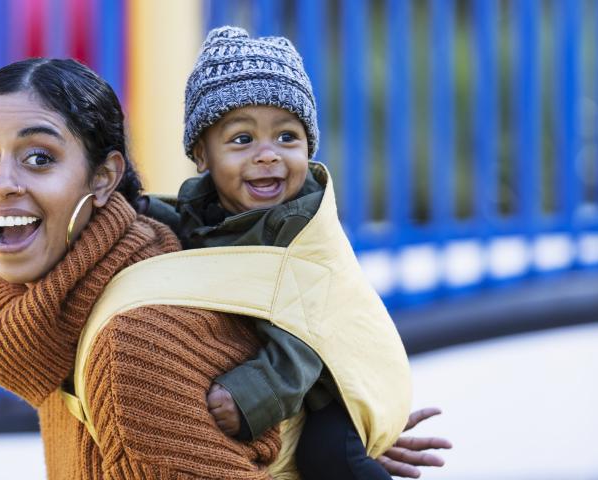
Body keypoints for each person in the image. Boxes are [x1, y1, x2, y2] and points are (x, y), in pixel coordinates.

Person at [0, 57, 448, 479]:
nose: (1, 184)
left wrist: (339, 438)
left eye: (39, 158)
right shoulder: (59, 301)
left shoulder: (134, 342)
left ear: (105, 178)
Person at [139, 26, 448, 479]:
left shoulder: (298, 228)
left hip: (333, 383)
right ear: (202, 155)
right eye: (242, 140)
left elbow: (305, 337)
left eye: (287, 138)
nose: (268, 155)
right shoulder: (206, 205)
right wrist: (140, 209)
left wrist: (250, 395)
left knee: (328, 455)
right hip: (303, 375)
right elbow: (186, 222)